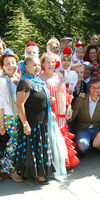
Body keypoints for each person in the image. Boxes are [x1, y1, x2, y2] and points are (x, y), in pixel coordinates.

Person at [15, 56, 55, 184]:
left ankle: (36, 172)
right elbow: (19, 104)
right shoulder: (25, 82)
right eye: (33, 65)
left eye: (38, 65)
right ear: (26, 67)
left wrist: (49, 101)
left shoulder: (38, 80)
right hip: (31, 122)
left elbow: (38, 99)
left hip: (41, 122)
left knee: (38, 149)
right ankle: (37, 175)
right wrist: (25, 123)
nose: (37, 67)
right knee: (32, 149)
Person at [40, 52, 79, 171]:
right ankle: (53, 165)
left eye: (53, 62)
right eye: (48, 62)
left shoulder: (60, 76)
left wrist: (68, 107)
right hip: (49, 113)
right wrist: (47, 100)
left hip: (61, 112)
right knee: (51, 140)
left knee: (62, 138)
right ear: (43, 64)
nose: (51, 64)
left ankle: (63, 162)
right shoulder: (40, 78)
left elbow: (65, 93)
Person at [0, 53, 23, 182]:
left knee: (17, 144)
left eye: (13, 62)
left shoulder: (19, 78)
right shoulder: (2, 81)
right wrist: (2, 124)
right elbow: (0, 104)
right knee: (11, 144)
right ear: (3, 66)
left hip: (19, 115)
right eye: (7, 63)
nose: (11, 65)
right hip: (8, 117)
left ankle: (15, 167)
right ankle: (11, 171)